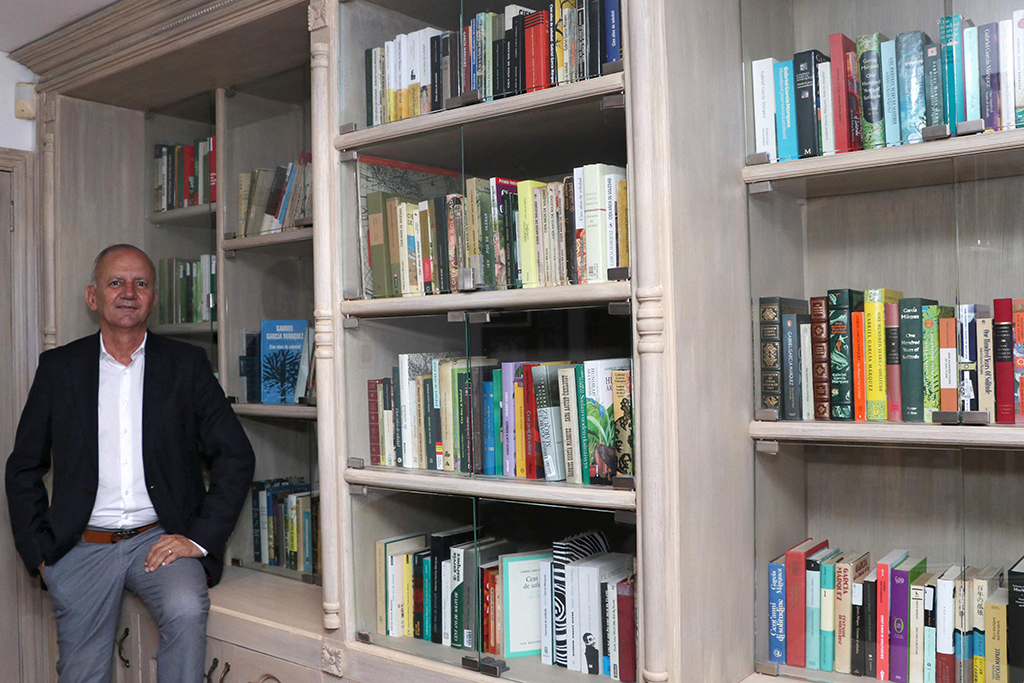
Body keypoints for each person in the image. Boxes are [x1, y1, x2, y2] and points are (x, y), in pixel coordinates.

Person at [6, 244, 255, 683]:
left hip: (157, 540)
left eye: (140, 283)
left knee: (186, 608)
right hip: (80, 545)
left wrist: (198, 541)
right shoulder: (59, 368)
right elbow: (23, 467)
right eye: (115, 282)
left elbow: (236, 456)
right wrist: (41, 556)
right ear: (92, 296)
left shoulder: (186, 365)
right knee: (82, 675)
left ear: (153, 297)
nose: (128, 292)